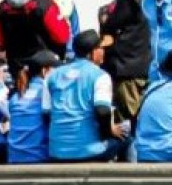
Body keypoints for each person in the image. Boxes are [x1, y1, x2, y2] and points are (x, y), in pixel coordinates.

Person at [45, 30, 130, 162]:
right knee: (128, 140)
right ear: (93, 52)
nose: (104, 52)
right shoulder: (100, 76)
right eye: (101, 48)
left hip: (56, 151)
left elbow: (46, 113)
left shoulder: (53, 75)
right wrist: (109, 132)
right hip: (89, 151)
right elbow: (102, 111)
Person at [99, 0, 151, 121]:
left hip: (127, 67)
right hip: (145, 63)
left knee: (130, 119)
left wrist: (105, 18)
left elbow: (109, 26)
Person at [7, 50, 58, 164]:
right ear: (45, 71)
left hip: (14, 159)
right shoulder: (49, 93)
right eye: (56, 70)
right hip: (40, 158)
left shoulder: (16, 96)